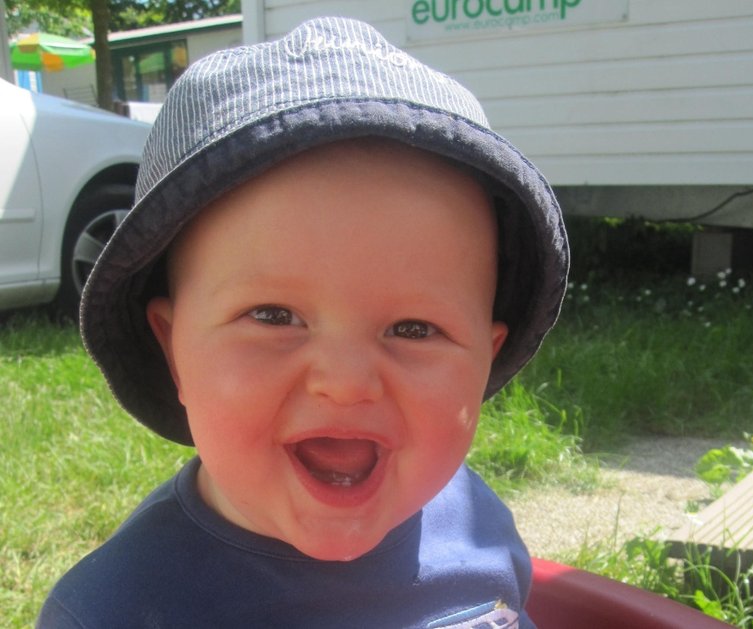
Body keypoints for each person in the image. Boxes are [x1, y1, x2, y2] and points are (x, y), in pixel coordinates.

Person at [38, 16, 568, 629]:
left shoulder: (477, 524)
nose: (345, 382)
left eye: (415, 329)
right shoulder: (117, 609)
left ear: (483, 360)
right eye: (273, 316)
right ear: (173, 350)